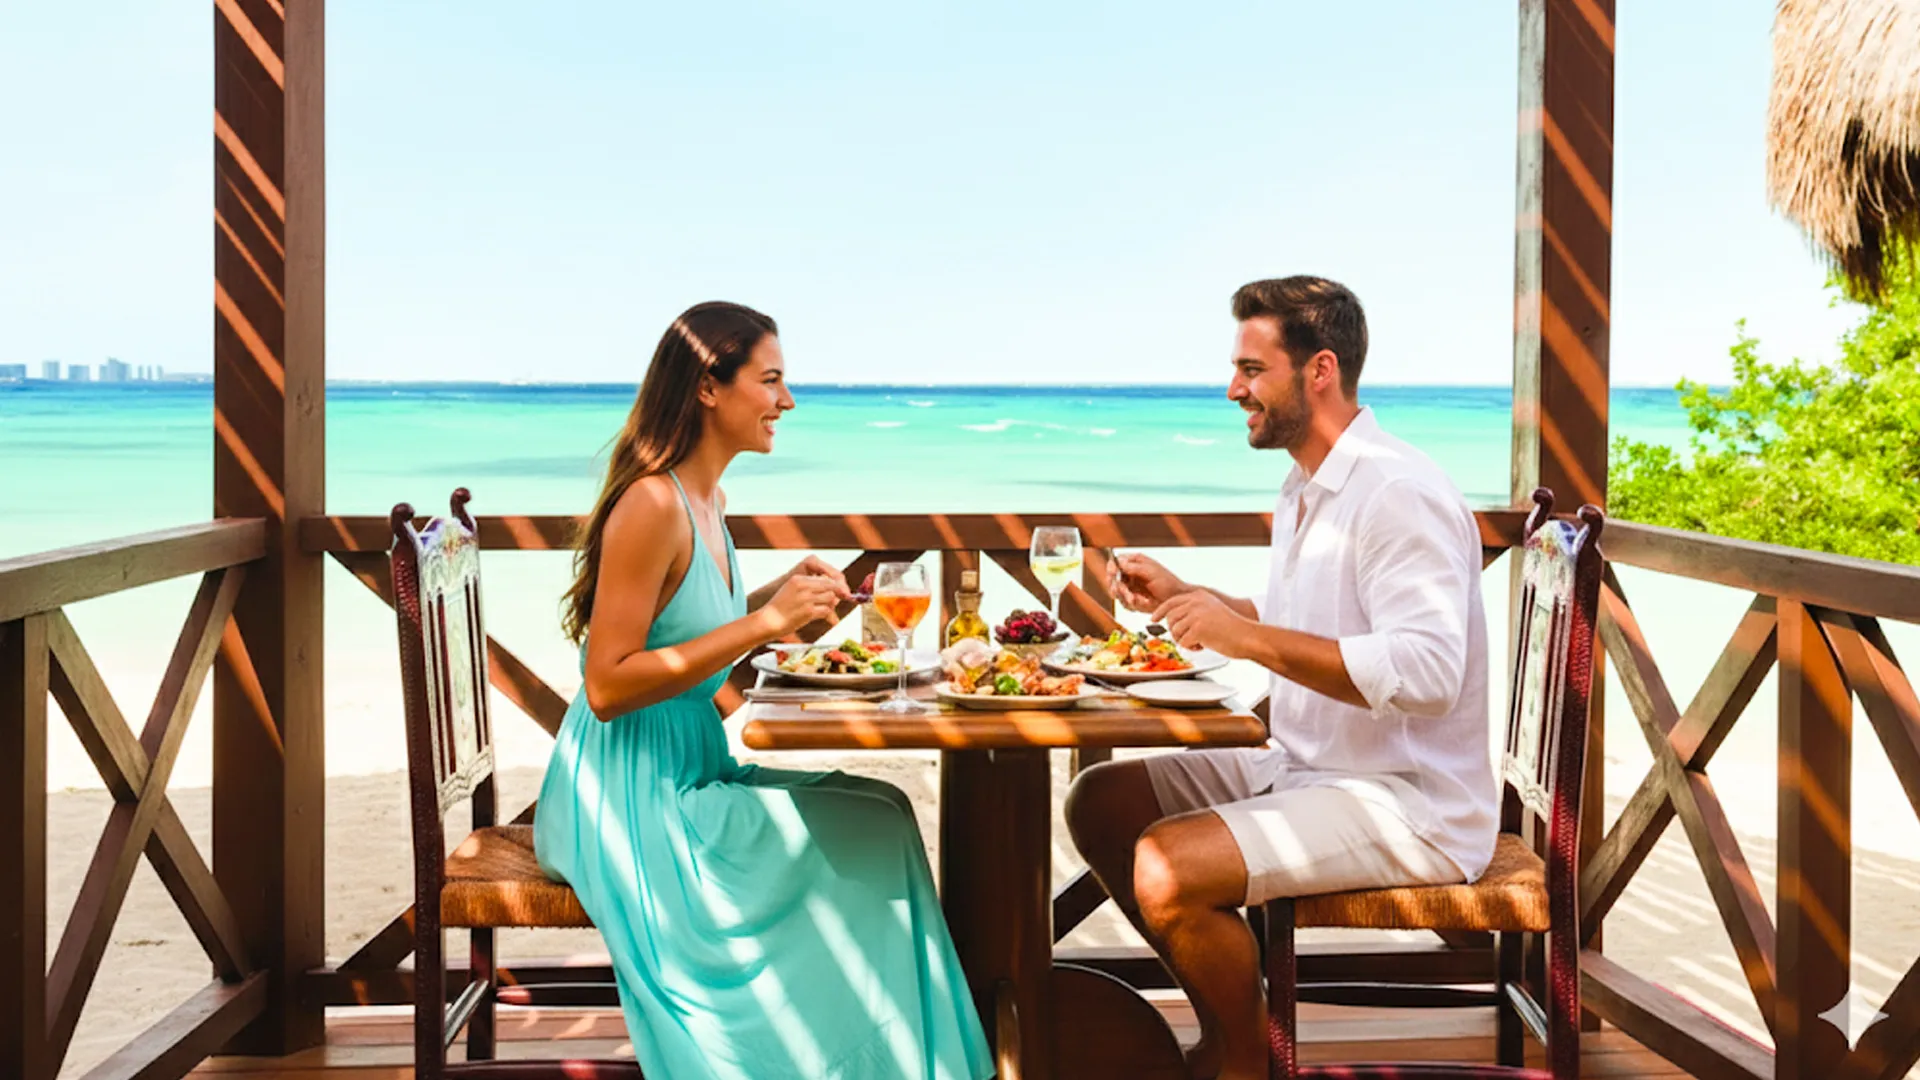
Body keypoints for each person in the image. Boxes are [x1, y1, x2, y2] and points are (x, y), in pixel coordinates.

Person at [534, 301, 992, 1080]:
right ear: (710, 388)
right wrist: (764, 626)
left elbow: (678, 629)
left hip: (691, 767)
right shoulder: (652, 503)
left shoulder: (708, 499)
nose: (787, 400)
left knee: (885, 809)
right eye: (771, 380)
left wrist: (772, 600)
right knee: (873, 836)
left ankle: (907, 1060)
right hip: (631, 796)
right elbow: (608, 684)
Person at [1064, 277, 1497, 1080]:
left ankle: (1239, 1062)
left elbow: (1429, 671)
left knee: (1167, 865)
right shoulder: (1308, 482)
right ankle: (1237, 1021)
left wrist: (1249, 638)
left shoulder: (1396, 493)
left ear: (1320, 370)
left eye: (1252, 370)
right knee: (1103, 801)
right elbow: (1311, 613)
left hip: (1409, 800)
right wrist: (1200, 601)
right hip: (1306, 767)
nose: (1234, 390)